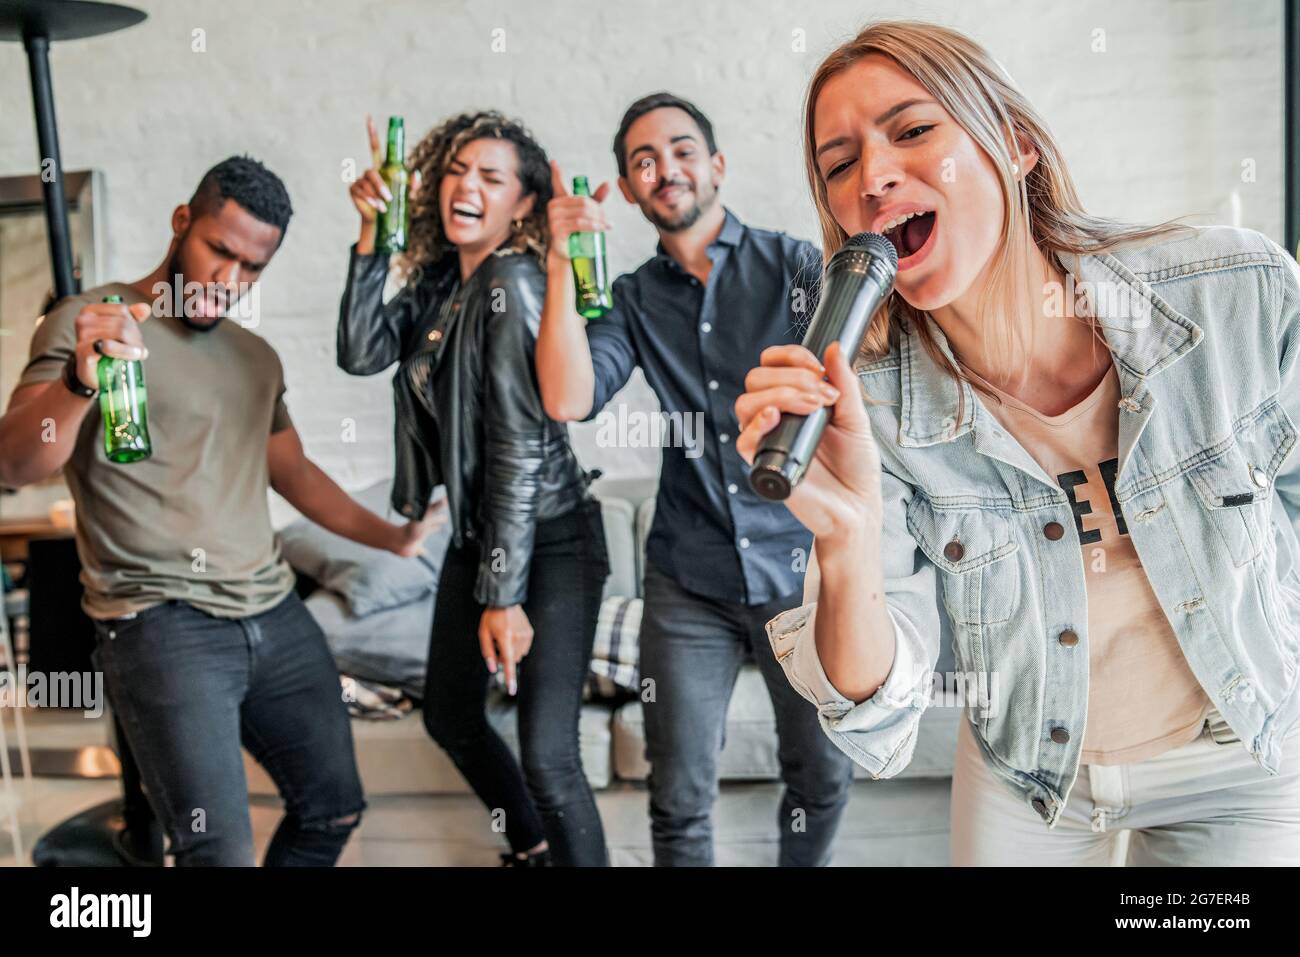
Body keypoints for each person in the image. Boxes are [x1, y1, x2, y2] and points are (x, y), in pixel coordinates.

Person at [734, 19, 1300, 866]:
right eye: (839, 164)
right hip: (1033, 770)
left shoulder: (1233, 294)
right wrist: (847, 542)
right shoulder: (873, 406)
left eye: (914, 129)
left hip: (1235, 758)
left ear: (1016, 145)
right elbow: (875, 703)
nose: (874, 176)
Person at [0, 156, 436, 866]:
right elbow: (16, 462)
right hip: (160, 623)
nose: (228, 282)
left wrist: (395, 537)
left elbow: (293, 473)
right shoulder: (92, 322)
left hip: (273, 612)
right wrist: (81, 380)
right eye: (218, 252)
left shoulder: (255, 358)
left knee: (334, 806)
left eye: (251, 268)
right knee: (218, 852)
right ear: (182, 224)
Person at [536, 93, 854, 866]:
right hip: (689, 579)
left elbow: (854, 389)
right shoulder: (632, 298)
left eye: (680, 151)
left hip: (800, 568)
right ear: (628, 187)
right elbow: (569, 397)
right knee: (677, 796)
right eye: (643, 161)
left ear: (716, 165)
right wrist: (557, 263)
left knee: (823, 773)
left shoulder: (797, 266)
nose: (664, 169)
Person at [337, 112, 610, 867]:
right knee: (451, 716)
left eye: (492, 178)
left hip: (550, 538)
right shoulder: (440, 283)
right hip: (480, 534)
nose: (467, 185)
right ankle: (533, 850)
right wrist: (371, 235)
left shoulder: (513, 283)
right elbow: (359, 350)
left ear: (524, 206)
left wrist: (503, 592)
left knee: (549, 754)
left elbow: (518, 447)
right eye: (458, 169)